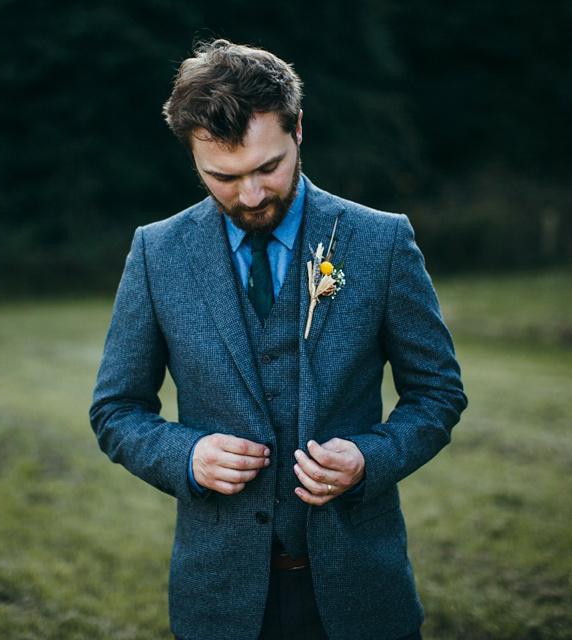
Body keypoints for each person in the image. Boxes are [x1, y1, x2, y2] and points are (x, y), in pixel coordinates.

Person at [90, 39, 467, 640]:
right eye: (223, 176)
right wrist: (186, 457)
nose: (251, 196)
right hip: (218, 602)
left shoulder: (381, 241)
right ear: (192, 156)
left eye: (268, 167)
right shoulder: (156, 252)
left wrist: (372, 458)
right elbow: (116, 411)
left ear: (298, 130)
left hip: (362, 593)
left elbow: (438, 394)